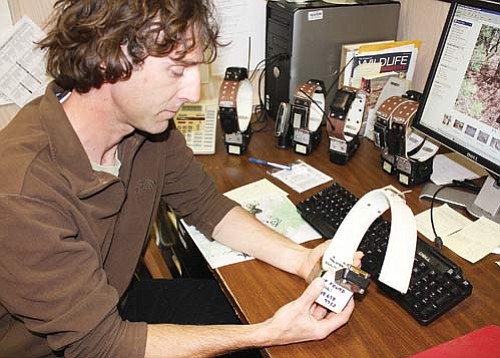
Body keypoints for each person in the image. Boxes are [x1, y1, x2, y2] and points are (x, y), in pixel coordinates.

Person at [0, 0, 362, 357]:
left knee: (248, 310)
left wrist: (301, 260)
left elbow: (206, 205)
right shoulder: (21, 192)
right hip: (58, 348)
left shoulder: (146, 128)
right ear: (107, 59)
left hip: (112, 302)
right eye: (177, 70)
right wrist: (267, 333)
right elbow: (102, 346)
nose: (192, 93)